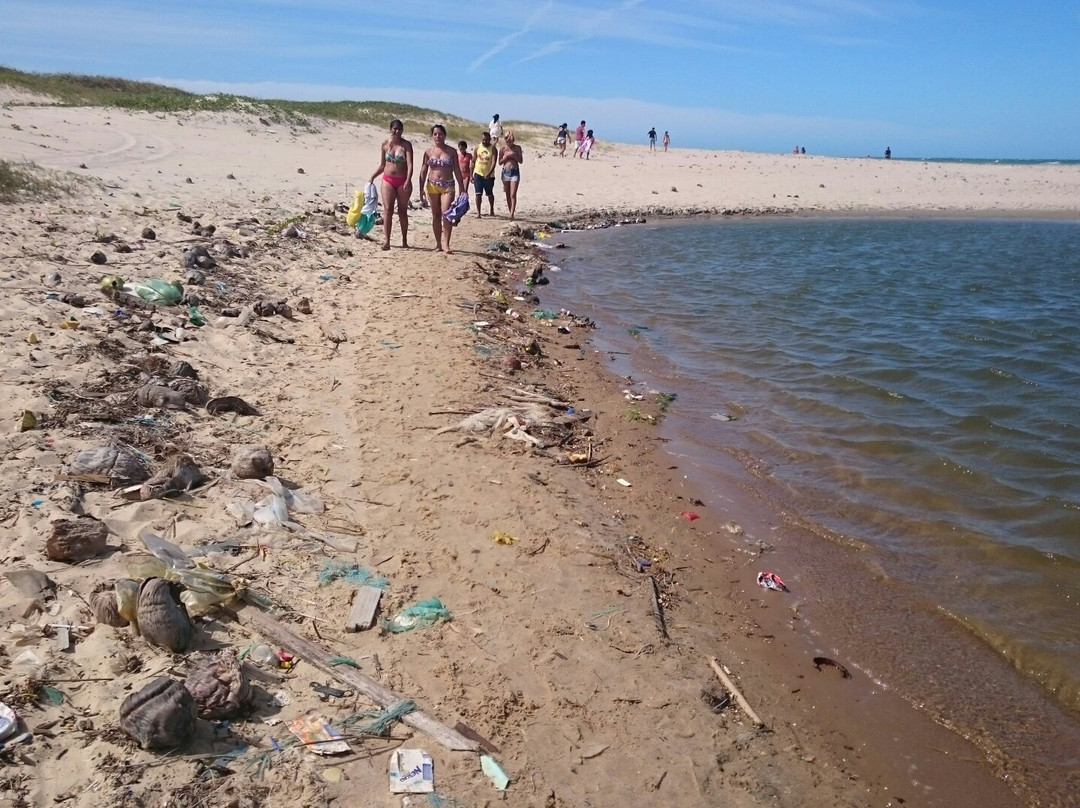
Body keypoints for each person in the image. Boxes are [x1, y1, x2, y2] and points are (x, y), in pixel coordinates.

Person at [417, 124, 468, 253]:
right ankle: (438, 244)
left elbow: (456, 170)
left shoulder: (451, 152)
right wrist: (421, 188)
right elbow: (423, 170)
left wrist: (462, 187)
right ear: (432, 136)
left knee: (446, 214)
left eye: (440, 134)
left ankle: (446, 244)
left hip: (448, 186)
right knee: (435, 215)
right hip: (432, 185)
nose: (437, 136)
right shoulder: (428, 152)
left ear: (445, 135)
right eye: (435, 134)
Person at [368, 119, 413, 251]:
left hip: (402, 180)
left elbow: (410, 165)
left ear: (402, 130)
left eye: (399, 129)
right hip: (388, 180)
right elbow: (383, 165)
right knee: (388, 210)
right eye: (394, 128)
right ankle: (387, 241)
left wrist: (408, 180)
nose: (397, 131)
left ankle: (404, 240)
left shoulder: (406, 145)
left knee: (402, 211)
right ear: (390, 129)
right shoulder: (385, 144)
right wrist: (372, 176)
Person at [472, 130, 498, 218]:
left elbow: (494, 162)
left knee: (489, 193)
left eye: (486, 140)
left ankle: (492, 209)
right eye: (483, 140)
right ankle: (478, 213)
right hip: (478, 173)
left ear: (490, 139)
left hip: (489, 175)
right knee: (478, 194)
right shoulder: (477, 148)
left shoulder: (493, 149)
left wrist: (489, 173)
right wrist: (471, 174)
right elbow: (473, 161)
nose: (484, 141)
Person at [499, 129, 524, 221]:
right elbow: (500, 162)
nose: (509, 143)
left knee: (513, 194)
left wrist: (514, 156)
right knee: (508, 194)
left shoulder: (517, 148)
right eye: (507, 141)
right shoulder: (503, 149)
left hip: (514, 172)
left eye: (511, 141)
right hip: (506, 172)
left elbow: (521, 161)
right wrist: (506, 157)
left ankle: (512, 213)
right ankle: (510, 211)